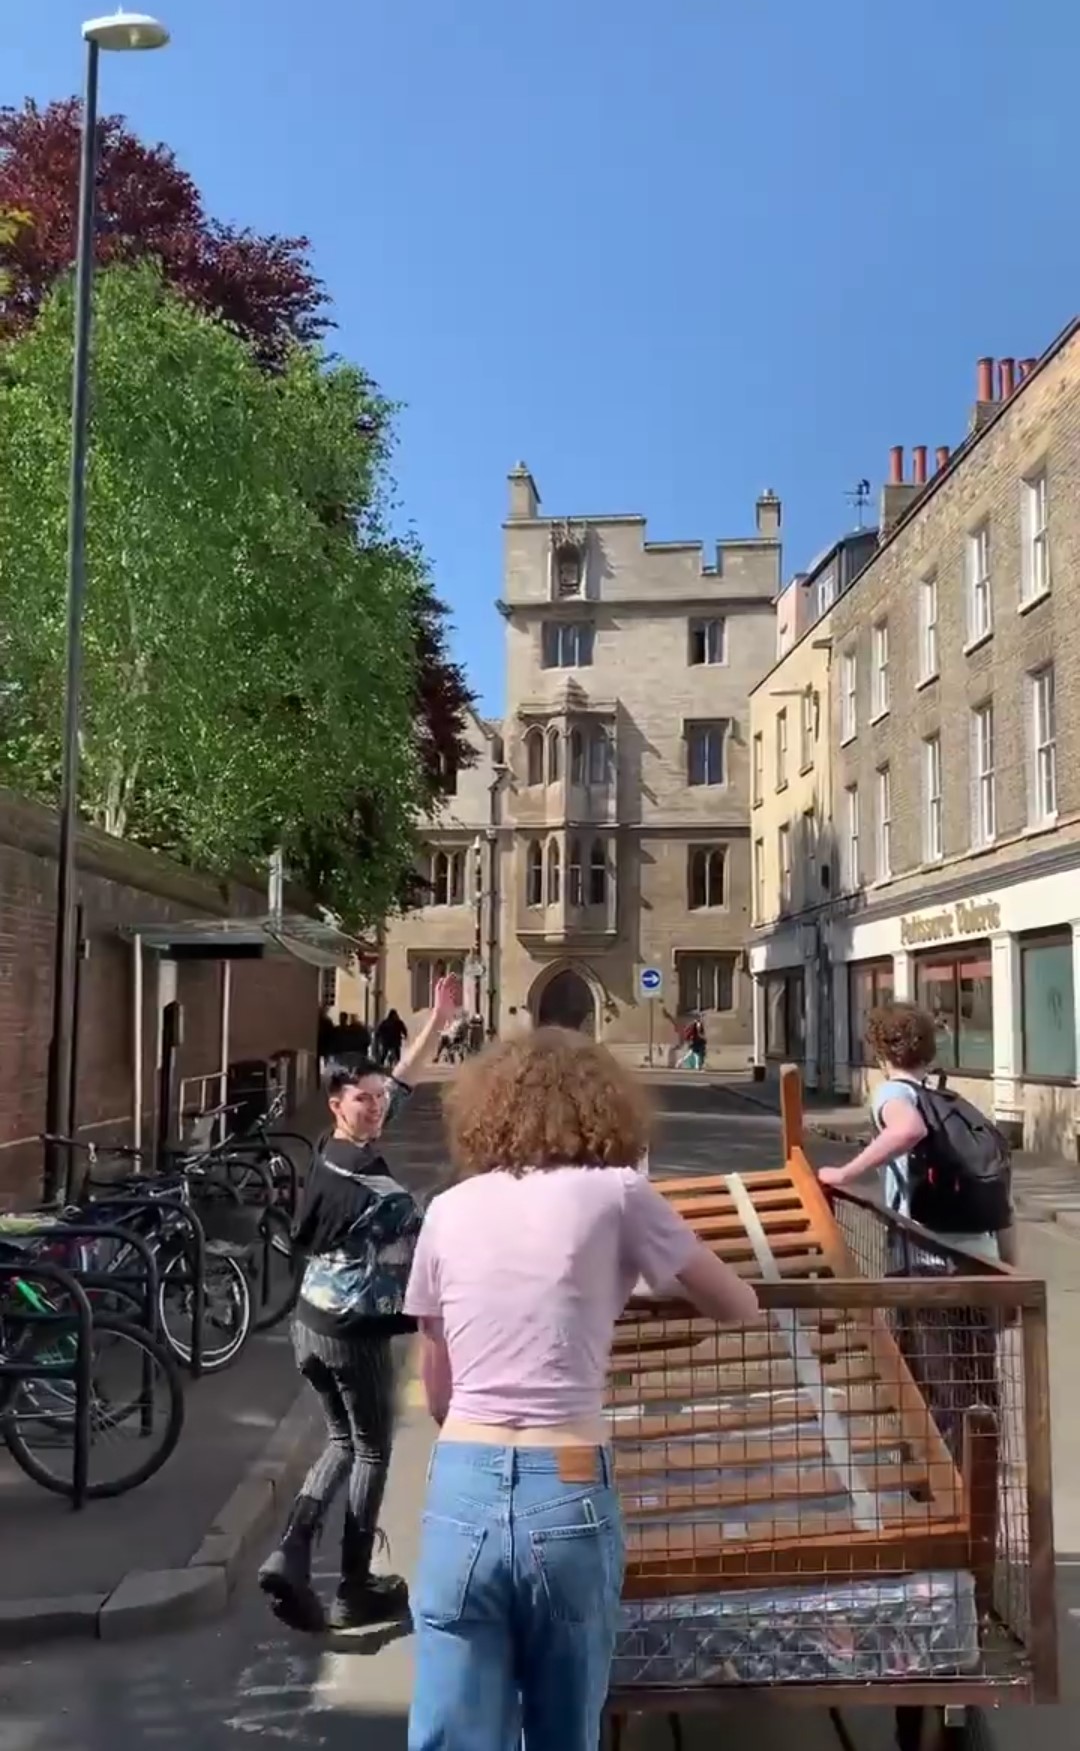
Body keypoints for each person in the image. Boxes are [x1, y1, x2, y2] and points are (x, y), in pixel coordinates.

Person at [403, 1027, 759, 1751]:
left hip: (462, 1480)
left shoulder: (446, 1207)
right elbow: (735, 1302)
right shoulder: (619, 1193)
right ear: (604, 1109)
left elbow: (436, 1387)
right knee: (565, 1725)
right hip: (563, 1476)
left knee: (453, 1727)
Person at [257, 974, 461, 1634]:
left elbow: (401, 1083)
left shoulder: (333, 1149)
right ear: (338, 1103)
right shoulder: (378, 1189)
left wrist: (436, 1021)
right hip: (353, 1331)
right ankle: (354, 1585)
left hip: (309, 1325)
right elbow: (437, 1237)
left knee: (341, 1439)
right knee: (372, 1448)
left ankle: (290, 1549)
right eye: (363, 1100)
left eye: (377, 1098)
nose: (376, 1107)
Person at [817, 1001, 1015, 1458]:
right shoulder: (958, 1107)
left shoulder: (894, 1096)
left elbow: (906, 1131)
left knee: (931, 1382)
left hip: (925, 1265)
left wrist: (845, 1174)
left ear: (879, 1050)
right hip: (979, 1263)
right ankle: (980, 1488)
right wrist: (1008, 1268)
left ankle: (950, 1496)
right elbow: (1003, 1201)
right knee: (977, 1381)